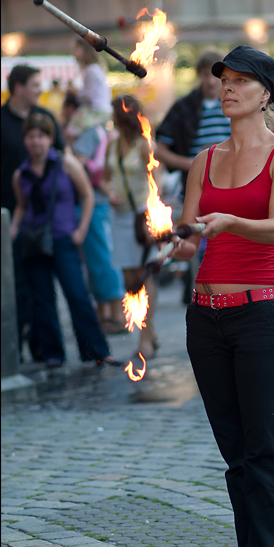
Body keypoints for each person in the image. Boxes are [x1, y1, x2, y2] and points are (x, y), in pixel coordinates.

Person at [168, 45, 274, 547]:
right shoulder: (203, 159)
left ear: (265, 94)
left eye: (241, 81)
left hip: (263, 316)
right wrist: (178, 240)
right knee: (236, 457)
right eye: (223, 79)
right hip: (206, 317)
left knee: (264, 450)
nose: (227, 88)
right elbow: (193, 235)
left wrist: (227, 223)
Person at [9, 113, 120, 369]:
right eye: (31, 137)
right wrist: (14, 229)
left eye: (41, 136)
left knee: (77, 295)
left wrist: (81, 230)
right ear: (25, 140)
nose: (36, 142)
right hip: (34, 242)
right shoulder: (21, 174)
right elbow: (22, 207)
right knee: (43, 300)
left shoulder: (65, 163)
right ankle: (53, 354)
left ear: (49, 139)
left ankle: (96, 350)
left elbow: (87, 195)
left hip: (64, 239)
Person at [155, 49, 231, 303]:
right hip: (198, 184)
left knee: (228, 238)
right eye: (205, 74)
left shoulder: (234, 103)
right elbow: (160, 148)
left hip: (233, 182)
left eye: (216, 76)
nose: (211, 81)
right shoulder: (184, 107)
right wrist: (191, 164)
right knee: (196, 239)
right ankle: (202, 293)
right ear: (198, 75)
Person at [1, 64, 66, 361]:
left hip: (50, 222)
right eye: (35, 84)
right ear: (18, 87)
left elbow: (64, 160)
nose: (40, 89)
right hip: (11, 220)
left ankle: (44, 347)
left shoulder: (48, 118)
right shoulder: (1, 121)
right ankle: (17, 348)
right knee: (19, 288)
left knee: (49, 289)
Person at [101, 94, 158, 359]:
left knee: (143, 277)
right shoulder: (113, 145)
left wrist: (153, 222)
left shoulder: (144, 144)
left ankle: (145, 338)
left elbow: (155, 185)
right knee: (129, 279)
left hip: (140, 216)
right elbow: (105, 177)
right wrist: (109, 192)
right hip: (119, 216)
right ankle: (150, 331)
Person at [72, 124, 126, 334]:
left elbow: (84, 165)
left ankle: (115, 315)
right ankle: (106, 314)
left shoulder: (90, 132)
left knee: (102, 260)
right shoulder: (106, 132)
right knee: (102, 259)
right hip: (101, 204)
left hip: (95, 205)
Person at [66, 37, 112, 145]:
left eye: (76, 48)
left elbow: (88, 96)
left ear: (84, 50)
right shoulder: (95, 68)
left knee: (69, 132)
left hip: (96, 110)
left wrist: (74, 91)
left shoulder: (90, 70)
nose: (73, 52)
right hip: (102, 110)